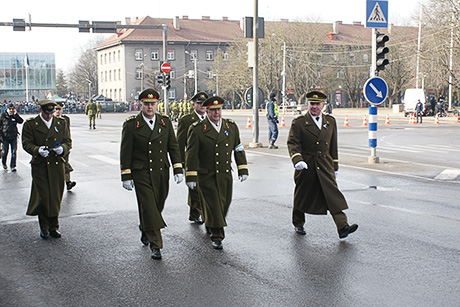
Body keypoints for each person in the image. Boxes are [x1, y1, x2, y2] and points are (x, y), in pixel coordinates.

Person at [120, 88, 183, 260]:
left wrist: (178, 168)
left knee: (157, 204)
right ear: (141, 105)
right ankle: (156, 245)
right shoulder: (132, 125)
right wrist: (126, 175)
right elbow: (125, 152)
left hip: (161, 171)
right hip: (141, 173)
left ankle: (145, 227)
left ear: (157, 105)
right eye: (146, 104)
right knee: (149, 206)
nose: (149, 107)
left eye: (153, 104)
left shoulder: (165, 122)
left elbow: (173, 146)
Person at [287, 91, 358, 239]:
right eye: (312, 104)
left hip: (325, 165)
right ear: (308, 105)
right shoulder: (299, 122)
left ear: (323, 105)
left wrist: (335, 166)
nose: (314, 107)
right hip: (307, 165)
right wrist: (297, 160)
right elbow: (293, 143)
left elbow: (333, 145)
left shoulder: (330, 121)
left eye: (317, 104)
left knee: (332, 195)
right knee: (302, 195)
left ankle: (343, 226)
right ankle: (298, 222)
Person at [185, 96, 249, 250]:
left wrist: (243, 168)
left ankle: (211, 222)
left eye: (218, 109)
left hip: (225, 174)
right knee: (213, 205)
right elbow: (191, 154)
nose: (216, 113)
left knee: (223, 205)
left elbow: (238, 148)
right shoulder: (197, 129)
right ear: (207, 111)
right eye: (212, 110)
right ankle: (217, 235)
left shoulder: (231, 127)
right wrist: (191, 175)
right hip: (206, 175)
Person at [22, 99, 72, 239]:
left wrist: (63, 149)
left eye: (51, 113)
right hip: (40, 165)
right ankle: (44, 226)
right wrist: (37, 150)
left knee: (55, 196)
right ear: (41, 111)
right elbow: (26, 143)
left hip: (56, 165)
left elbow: (67, 141)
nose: (49, 116)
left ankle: (54, 226)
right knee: (43, 196)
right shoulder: (31, 124)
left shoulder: (61, 123)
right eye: (46, 113)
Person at [177, 91, 208, 225]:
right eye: (199, 103)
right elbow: (180, 143)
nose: (202, 106)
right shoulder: (186, 120)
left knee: (207, 189)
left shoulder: (211, 118)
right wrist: (181, 164)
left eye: (204, 104)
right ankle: (199, 214)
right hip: (193, 161)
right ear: (193, 105)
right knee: (195, 189)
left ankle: (196, 213)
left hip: (207, 161)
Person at [54, 101, 77, 190]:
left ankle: (68, 182)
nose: (58, 111)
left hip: (64, 146)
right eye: (56, 109)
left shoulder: (66, 119)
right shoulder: (51, 119)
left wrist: (68, 145)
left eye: (59, 109)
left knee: (65, 162)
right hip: (55, 146)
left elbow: (67, 132)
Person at [1, 103, 24, 171]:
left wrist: (16, 114)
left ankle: (13, 166)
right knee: (5, 152)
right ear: (7, 109)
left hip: (13, 137)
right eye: (10, 109)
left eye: (12, 109)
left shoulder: (14, 116)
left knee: (14, 152)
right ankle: (4, 163)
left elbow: (21, 121)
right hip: (5, 137)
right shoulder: (3, 116)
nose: (11, 110)